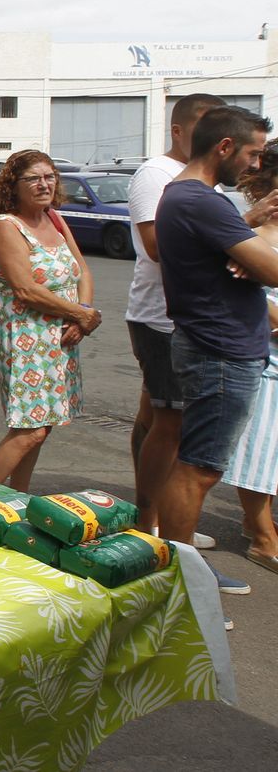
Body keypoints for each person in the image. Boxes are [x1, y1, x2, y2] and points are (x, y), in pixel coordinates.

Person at [156, 108, 278, 606]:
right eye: (251, 153)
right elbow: (271, 269)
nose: (254, 165)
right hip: (220, 351)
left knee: (198, 464)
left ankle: (185, 572)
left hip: (219, 346)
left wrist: (248, 250)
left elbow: (256, 264)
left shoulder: (201, 199)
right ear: (224, 147)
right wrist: (255, 255)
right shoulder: (198, 200)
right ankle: (177, 585)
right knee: (199, 468)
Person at [127, 94, 234, 536]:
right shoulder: (157, 174)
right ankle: (153, 526)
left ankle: (156, 518)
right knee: (172, 423)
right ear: (178, 130)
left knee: (157, 416)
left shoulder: (206, 179)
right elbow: (157, 246)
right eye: (205, 128)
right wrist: (232, 251)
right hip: (162, 316)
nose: (216, 141)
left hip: (183, 317)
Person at [0, 150, 99, 491]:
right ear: (13, 186)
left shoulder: (54, 219)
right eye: (33, 178)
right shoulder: (7, 226)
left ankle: (17, 496)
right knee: (30, 429)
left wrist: (84, 311)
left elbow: (83, 270)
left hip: (59, 337)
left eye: (49, 176)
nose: (43, 184)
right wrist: (79, 314)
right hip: (25, 338)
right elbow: (25, 290)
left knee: (41, 427)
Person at [225, 142, 278, 575]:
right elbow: (249, 290)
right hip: (264, 351)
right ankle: (263, 538)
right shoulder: (251, 229)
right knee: (259, 447)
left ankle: (254, 522)